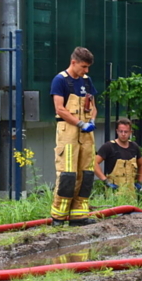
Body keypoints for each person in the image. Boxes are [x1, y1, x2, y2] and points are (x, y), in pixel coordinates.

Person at [50, 47, 98, 226]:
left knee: (86, 174)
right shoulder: (60, 80)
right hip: (68, 134)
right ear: (73, 62)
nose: (86, 71)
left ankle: (79, 216)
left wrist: (91, 120)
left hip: (86, 135)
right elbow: (60, 109)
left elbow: (93, 105)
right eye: (83, 67)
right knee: (68, 175)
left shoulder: (86, 81)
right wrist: (80, 123)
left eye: (88, 67)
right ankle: (58, 217)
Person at [95, 117, 142, 194]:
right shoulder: (109, 146)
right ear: (117, 131)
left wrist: (139, 182)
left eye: (126, 132)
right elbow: (94, 163)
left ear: (130, 132)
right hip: (113, 191)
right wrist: (105, 181)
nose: (123, 134)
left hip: (131, 192)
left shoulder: (134, 147)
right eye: (120, 131)